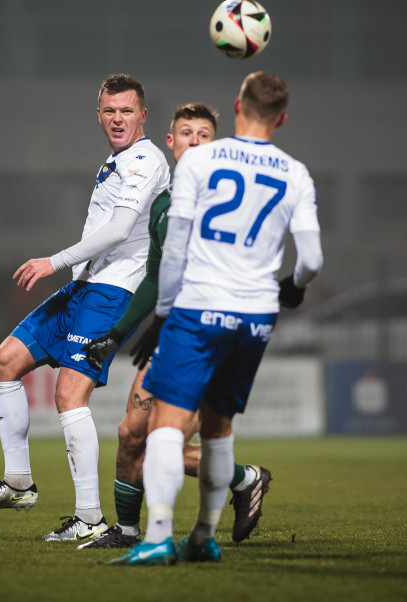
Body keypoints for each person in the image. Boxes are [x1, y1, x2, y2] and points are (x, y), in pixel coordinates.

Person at [110, 72, 324, 565]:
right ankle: (203, 537)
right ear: (283, 118)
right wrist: (294, 287)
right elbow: (311, 260)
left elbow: (179, 245)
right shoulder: (296, 172)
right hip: (256, 318)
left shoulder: (201, 161)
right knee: (218, 426)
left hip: (200, 307)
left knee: (165, 426)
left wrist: (164, 314)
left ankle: (158, 537)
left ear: (237, 107)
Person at [0, 74, 171, 544]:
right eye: (109, 111)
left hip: (111, 292)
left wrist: (51, 261)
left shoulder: (146, 160)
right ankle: (18, 483)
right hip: (85, 286)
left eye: (127, 111)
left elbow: (119, 230)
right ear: (98, 115)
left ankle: (90, 517)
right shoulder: (117, 159)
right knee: (2, 364)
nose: (118, 119)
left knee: (68, 397)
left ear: (143, 116)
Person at [80, 103, 273, 550]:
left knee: (158, 443)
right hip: (171, 334)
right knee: (132, 434)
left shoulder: (229, 202)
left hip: (211, 336)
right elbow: (153, 276)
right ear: (171, 142)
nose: (194, 142)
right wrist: (116, 333)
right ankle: (129, 531)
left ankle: (239, 483)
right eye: (186, 133)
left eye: (204, 135)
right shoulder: (164, 205)